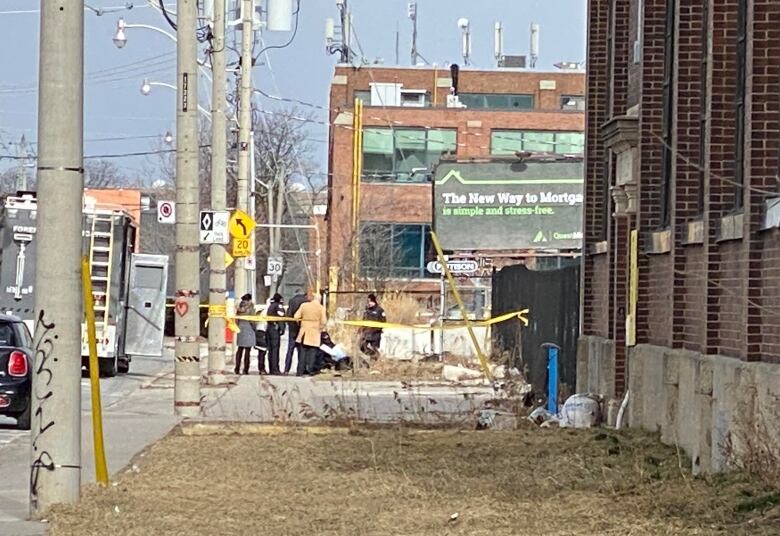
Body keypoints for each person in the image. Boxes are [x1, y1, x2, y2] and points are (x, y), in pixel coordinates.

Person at [294, 293, 327, 376]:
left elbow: (296, 316)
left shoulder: (304, 306)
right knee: (312, 353)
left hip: (303, 332)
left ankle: (300, 371)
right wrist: (320, 328)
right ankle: (310, 370)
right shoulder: (321, 308)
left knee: (302, 353)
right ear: (319, 300)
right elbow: (324, 321)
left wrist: (300, 324)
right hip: (315, 333)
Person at [285, 289, 307, 375]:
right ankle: (300, 370)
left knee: (290, 350)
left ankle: (287, 369)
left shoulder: (292, 301)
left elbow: (289, 314)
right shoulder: (306, 302)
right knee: (302, 351)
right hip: (302, 329)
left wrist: (289, 324)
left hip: (292, 329)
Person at [234, 293, 255, 375]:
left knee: (240, 350)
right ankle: (245, 369)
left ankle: (237, 368)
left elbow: (236, 320)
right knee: (247, 351)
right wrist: (254, 328)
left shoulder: (239, 308)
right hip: (249, 329)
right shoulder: (251, 308)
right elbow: (252, 320)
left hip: (240, 329)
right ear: (249, 299)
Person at [359, 293, 386, 358]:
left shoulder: (380, 310)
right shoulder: (367, 310)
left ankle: (375, 359)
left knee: (374, 348)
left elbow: (384, 322)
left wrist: (377, 329)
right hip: (366, 332)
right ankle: (374, 356)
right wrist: (360, 330)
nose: (369, 303)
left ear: (374, 301)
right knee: (362, 346)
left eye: (370, 301)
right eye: (368, 302)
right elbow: (363, 321)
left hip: (375, 333)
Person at [265, 293, 286, 375]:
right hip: (275, 329)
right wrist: (282, 328)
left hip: (269, 329)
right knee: (275, 350)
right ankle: (275, 369)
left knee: (270, 350)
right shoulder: (278, 306)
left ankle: (271, 368)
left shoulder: (270, 306)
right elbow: (281, 317)